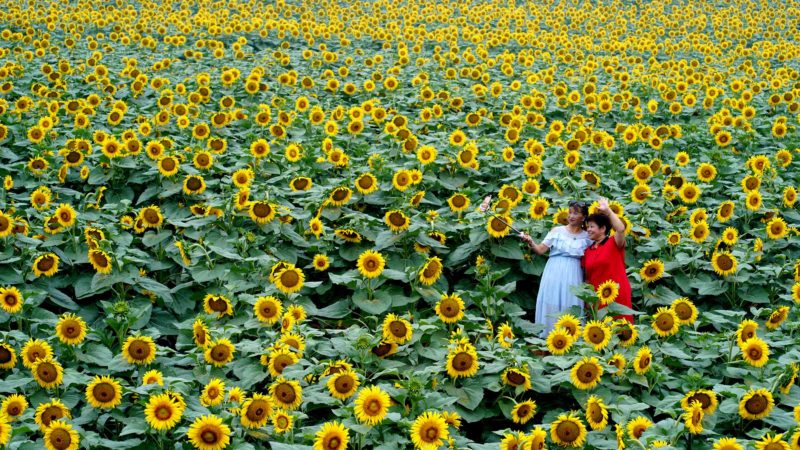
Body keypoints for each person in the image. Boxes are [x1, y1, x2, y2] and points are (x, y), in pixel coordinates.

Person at [519, 200, 592, 337]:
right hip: (554, 270)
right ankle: (548, 338)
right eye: (570, 212)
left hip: (574, 272)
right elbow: (540, 250)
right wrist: (530, 242)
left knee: (571, 301)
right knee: (551, 299)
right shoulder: (557, 231)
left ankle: (571, 340)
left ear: (583, 217)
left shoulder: (587, 236)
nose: (571, 216)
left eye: (575, 213)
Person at [581, 197, 634, 323]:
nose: (588, 229)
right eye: (587, 227)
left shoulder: (613, 243)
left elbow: (620, 229)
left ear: (603, 228)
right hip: (599, 297)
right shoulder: (588, 251)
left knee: (621, 328)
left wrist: (608, 211)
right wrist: (588, 301)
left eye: (592, 226)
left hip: (617, 293)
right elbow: (588, 278)